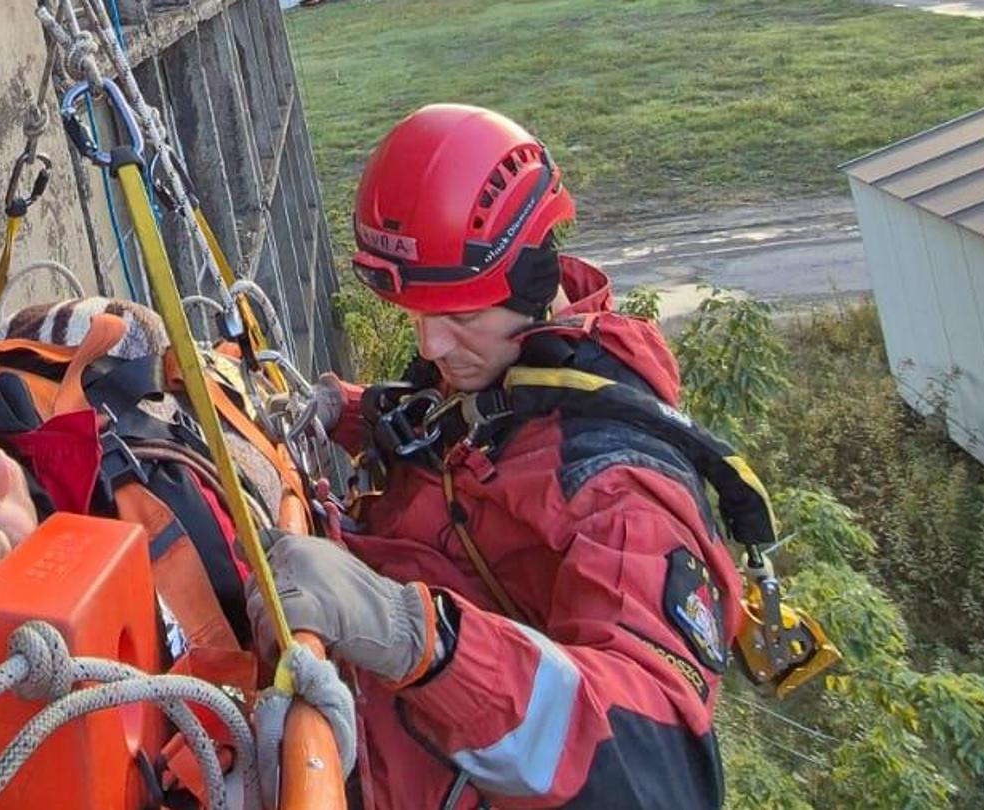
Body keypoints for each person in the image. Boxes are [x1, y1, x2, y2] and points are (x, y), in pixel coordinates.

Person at [250, 104, 742, 809]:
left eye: (459, 317)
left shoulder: (621, 497)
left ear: (535, 287)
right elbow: (466, 451)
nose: (429, 347)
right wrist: (351, 411)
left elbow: (650, 768)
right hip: (369, 711)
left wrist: (417, 637)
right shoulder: (514, 382)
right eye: (418, 315)